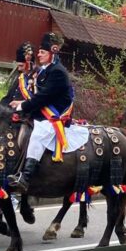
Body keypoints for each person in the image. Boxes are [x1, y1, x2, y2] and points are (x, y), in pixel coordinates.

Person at [9, 33, 75, 194]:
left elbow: (44, 97)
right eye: (38, 52)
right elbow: (37, 96)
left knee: (38, 135)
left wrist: (22, 106)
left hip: (55, 116)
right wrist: (20, 103)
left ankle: (26, 177)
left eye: (42, 52)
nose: (38, 55)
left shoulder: (58, 72)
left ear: (52, 53)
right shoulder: (45, 70)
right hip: (42, 112)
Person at [0, 41, 34, 106]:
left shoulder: (36, 77)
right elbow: (8, 98)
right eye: (18, 66)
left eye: (21, 66)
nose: (19, 69)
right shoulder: (21, 76)